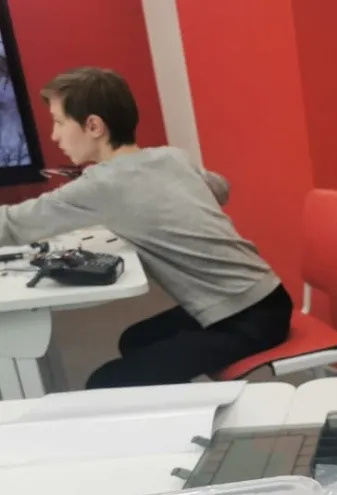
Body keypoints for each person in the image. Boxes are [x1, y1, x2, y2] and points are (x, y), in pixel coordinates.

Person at [0, 67, 291, 389]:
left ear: (93, 126)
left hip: (246, 318)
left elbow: (13, 223)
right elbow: (221, 188)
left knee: (104, 383)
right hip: (267, 296)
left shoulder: (102, 184)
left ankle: (190, 415)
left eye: (58, 122)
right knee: (135, 340)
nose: (54, 136)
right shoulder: (171, 157)